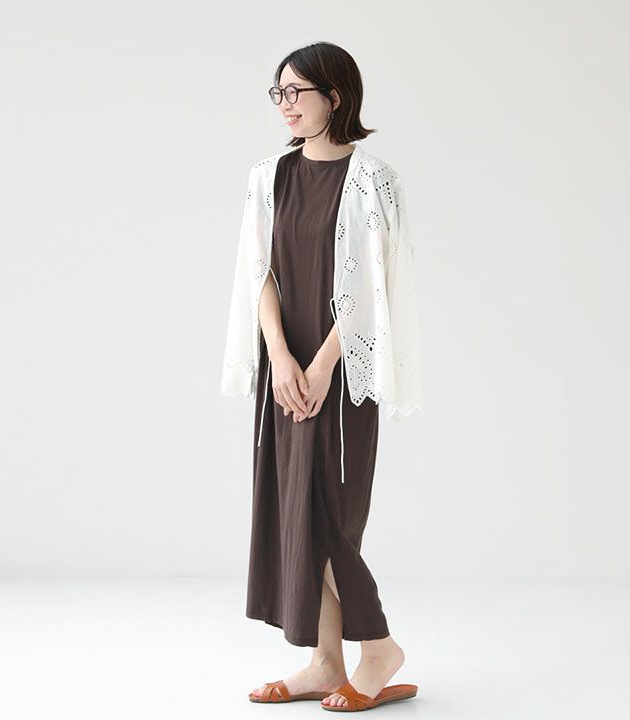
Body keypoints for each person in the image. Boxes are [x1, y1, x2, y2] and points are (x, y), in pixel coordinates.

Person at [220, 42, 423, 711]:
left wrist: (321, 364)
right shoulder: (268, 178)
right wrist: (280, 358)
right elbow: (258, 274)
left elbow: (372, 290)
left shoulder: (374, 181)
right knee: (294, 514)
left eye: (296, 92)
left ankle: (379, 648)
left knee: (330, 517)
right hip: (285, 374)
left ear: (334, 97)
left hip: (340, 375)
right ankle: (326, 662)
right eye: (277, 92)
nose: (285, 104)